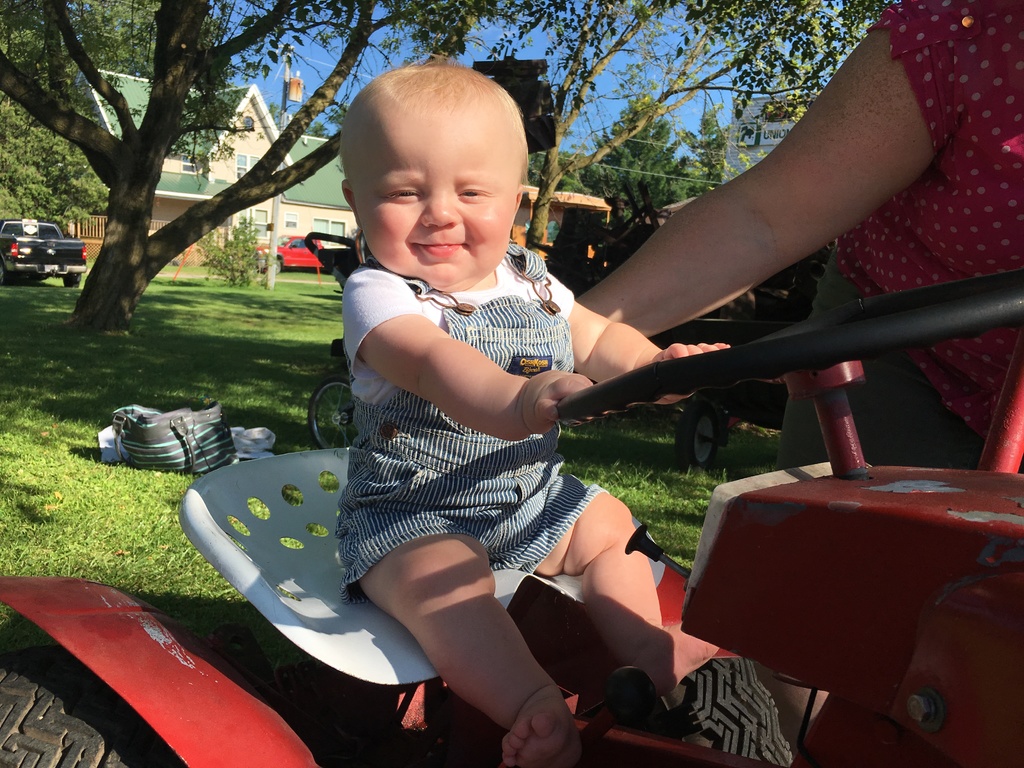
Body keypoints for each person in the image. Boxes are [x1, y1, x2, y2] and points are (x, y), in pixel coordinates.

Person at [336, 60, 725, 768]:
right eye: (404, 192)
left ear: (515, 199)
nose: (440, 213)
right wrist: (519, 397)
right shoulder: (382, 294)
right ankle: (530, 703)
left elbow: (599, 338)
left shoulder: (533, 281)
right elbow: (432, 363)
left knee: (608, 526)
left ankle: (646, 650)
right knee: (447, 584)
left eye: (471, 191)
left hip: (529, 502)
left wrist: (656, 369)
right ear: (355, 199)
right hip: (411, 514)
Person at [581, 0, 1024, 472]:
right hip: (897, 334)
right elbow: (764, 220)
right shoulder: (965, 29)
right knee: (832, 517)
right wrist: (561, 328)